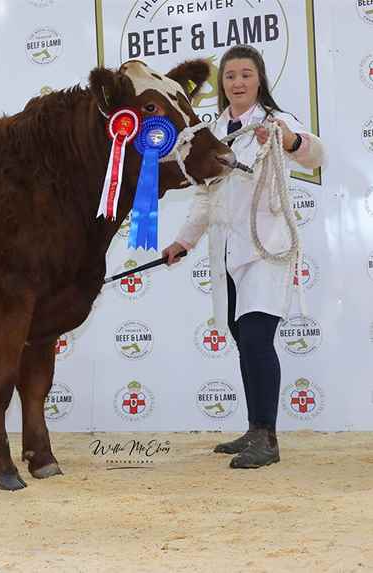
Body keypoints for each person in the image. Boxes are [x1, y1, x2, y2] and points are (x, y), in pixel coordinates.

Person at [162, 45, 326, 469]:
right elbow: (205, 197)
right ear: (223, 84)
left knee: (256, 339)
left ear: (260, 80)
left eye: (246, 75)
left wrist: (288, 140)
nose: (237, 82)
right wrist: (184, 241)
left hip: (264, 249)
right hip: (228, 253)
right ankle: (255, 429)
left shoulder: (274, 121)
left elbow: (314, 153)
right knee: (243, 341)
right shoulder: (212, 131)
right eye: (230, 76)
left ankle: (267, 439)